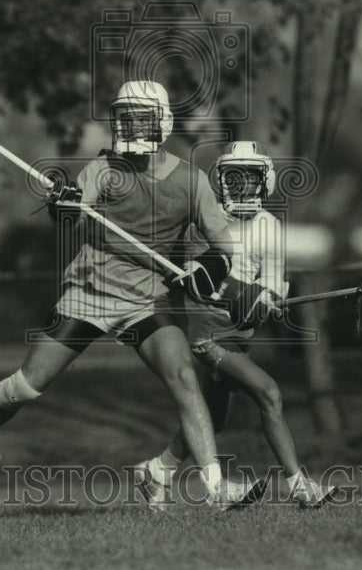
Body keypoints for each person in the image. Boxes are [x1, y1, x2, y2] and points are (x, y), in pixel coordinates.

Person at [0, 81, 262, 507]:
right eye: (124, 116)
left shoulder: (192, 181)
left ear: (163, 123)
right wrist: (65, 204)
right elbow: (71, 217)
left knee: (186, 378)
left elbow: (225, 249)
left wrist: (208, 267)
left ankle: (216, 490)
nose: (129, 124)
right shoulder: (104, 169)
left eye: (140, 117)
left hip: (147, 301)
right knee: (24, 387)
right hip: (90, 293)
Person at [133, 141, 337, 509]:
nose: (241, 185)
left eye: (250, 177)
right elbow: (202, 286)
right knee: (269, 393)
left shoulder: (270, 226)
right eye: (233, 177)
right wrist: (246, 296)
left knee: (213, 419)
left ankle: (157, 470)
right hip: (210, 333)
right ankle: (301, 488)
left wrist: (268, 299)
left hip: (241, 335)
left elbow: (273, 280)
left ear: (265, 182)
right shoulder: (205, 224)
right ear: (221, 181)